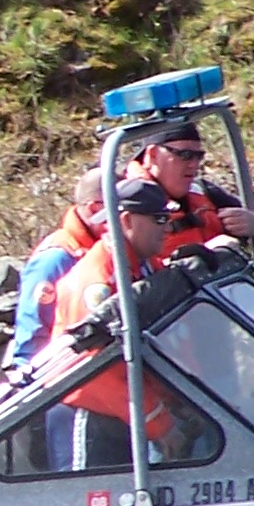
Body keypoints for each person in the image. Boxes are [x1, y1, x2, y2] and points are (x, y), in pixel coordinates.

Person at [40, 177, 181, 473]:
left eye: (169, 218)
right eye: (159, 219)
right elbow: (96, 371)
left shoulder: (143, 266)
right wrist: (159, 423)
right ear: (127, 221)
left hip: (129, 413)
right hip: (90, 415)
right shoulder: (97, 283)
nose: (168, 228)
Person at [129, 120, 254, 257]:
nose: (194, 164)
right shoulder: (127, 205)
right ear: (153, 155)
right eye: (185, 155)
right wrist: (204, 257)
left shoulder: (204, 192)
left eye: (198, 156)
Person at [7, 167, 107, 368]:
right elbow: (31, 343)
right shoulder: (54, 260)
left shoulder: (111, 249)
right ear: (96, 208)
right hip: (70, 375)